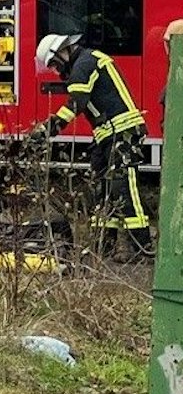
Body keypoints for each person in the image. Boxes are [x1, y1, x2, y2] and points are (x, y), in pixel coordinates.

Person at [35, 33, 152, 257]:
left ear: (61, 53)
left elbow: (76, 103)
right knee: (102, 189)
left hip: (123, 133)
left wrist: (47, 131)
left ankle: (142, 246)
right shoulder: (87, 60)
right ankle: (104, 246)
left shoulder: (84, 64)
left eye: (54, 65)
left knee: (122, 188)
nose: (56, 71)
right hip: (107, 135)